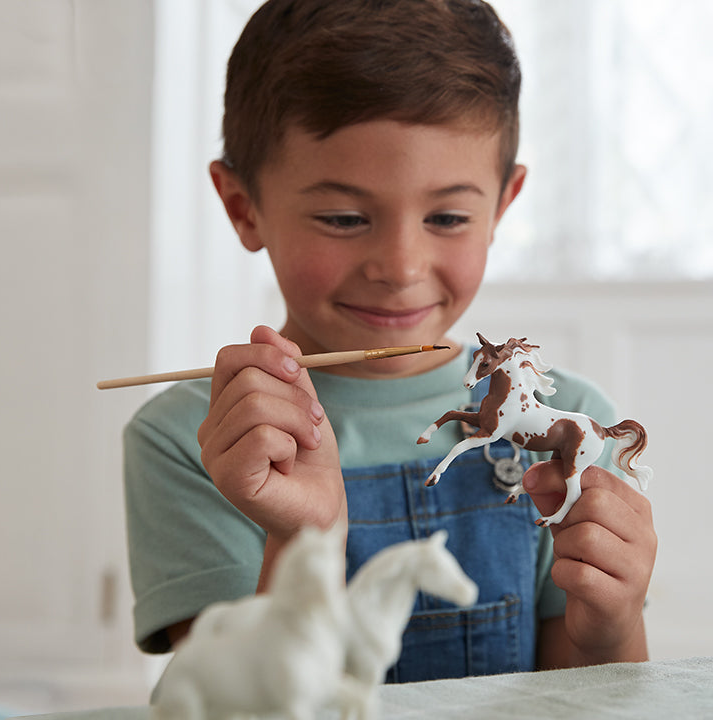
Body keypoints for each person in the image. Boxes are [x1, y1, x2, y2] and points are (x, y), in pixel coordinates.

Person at [124, 0, 656, 680]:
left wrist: (613, 621)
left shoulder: (567, 428)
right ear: (242, 207)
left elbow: (589, 694)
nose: (401, 267)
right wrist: (299, 537)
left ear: (502, 206)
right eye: (344, 217)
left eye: (448, 216)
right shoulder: (195, 441)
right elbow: (236, 701)